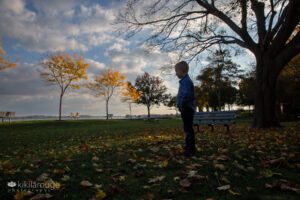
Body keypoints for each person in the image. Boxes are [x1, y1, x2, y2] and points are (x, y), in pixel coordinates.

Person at [175, 61, 196, 157]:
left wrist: (181, 105)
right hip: (185, 108)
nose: (176, 74)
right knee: (187, 128)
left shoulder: (186, 81)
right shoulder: (184, 81)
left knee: (188, 129)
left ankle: (190, 149)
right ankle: (189, 146)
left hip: (187, 108)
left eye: (176, 71)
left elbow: (186, 95)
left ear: (181, 70)